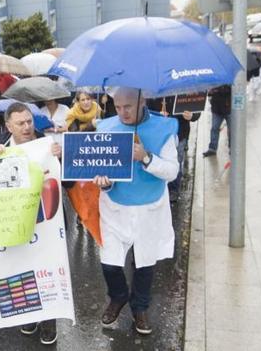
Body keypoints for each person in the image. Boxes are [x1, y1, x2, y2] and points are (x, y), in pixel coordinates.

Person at [92, 87, 178, 336]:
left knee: (145, 263)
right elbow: (104, 173)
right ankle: (118, 297)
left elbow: (172, 172)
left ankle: (140, 307)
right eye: (117, 107)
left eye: (127, 107)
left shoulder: (164, 128)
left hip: (149, 207)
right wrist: (105, 183)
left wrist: (146, 157)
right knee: (109, 262)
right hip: (115, 207)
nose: (122, 113)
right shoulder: (106, 127)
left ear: (142, 101)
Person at [0, 102, 62, 345]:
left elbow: (67, 183)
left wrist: (61, 157)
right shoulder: (0, 146)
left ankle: (49, 320)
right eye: (21, 123)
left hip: (45, 218)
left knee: (46, 268)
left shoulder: (47, 145)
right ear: (8, 126)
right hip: (15, 220)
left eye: (29, 121)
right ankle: (30, 314)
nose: (27, 127)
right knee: (21, 269)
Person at [146, 97, 200, 202]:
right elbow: (146, 111)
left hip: (180, 134)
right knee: (161, 161)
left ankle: (174, 189)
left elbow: (196, 111)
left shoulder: (184, 91)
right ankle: (160, 187)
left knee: (177, 162)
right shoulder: (153, 94)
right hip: (160, 136)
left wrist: (192, 116)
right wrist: (156, 115)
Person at [202, 85, 231, 157]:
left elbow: (230, 90)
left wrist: (218, 90)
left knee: (231, 130)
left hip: (229, 108)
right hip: (216, 109)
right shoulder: (214, 80)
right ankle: (212, 149)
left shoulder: (228, 78)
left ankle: (232, 148)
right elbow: (209, 93)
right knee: (214, 128)